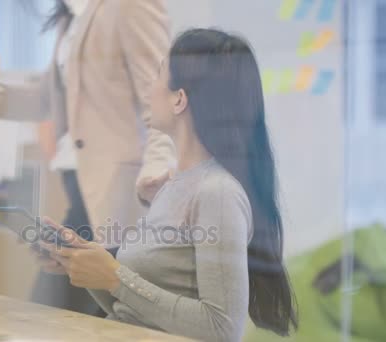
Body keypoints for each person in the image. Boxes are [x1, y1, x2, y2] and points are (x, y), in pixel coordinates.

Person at [36, 28, 298, 341]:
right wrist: (83, 265)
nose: (149, 89)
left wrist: (115, 277)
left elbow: (222, 329)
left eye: (159, 74)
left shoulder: (218, 193)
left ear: (179, 99)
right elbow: (133, 309)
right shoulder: (174, 186)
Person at [0, 0, 175, 316]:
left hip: (119, 196)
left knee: (56, 314)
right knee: (60, 312)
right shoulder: (72, 15)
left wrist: (157, 170)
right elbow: (48, 98)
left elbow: (161, 97)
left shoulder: (130, 5)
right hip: (81, 190)